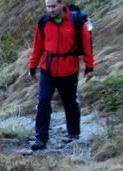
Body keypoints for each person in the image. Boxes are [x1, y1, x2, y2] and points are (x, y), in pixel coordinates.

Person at [28, 0, 95, 151]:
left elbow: (87, 45)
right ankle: (41, 138)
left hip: (69, 70)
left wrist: (89, 67)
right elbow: (37, 46)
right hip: (48, 70)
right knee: (43, 103)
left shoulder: (76, 21)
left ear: (61, 4)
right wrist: (32, 67)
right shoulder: (43, 21)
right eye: (48, 6)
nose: (50, 10)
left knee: (70, 103)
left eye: (53, 6)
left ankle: (73, 135)